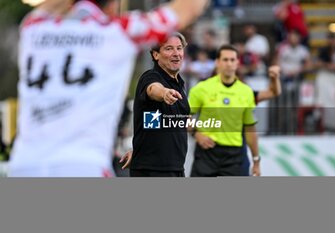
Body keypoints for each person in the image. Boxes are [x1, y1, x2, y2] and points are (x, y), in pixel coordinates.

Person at [8, 0, 210, 177]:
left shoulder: (34, 26)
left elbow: (49, 6)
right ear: (113, 4)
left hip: (25, 164)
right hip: (83, 164)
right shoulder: (120, 31)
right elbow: (189, 7)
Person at [121, 33, 189, 177]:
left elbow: (155, 124)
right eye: (169, 49)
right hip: (153, 171)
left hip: (176, 169)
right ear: (156, 55)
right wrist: (164, 93)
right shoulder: (150, 77)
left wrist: (140, 148)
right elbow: (153, 89)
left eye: (179, 48)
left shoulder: (180, 84)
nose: (176, 54)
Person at [189, 45, 260, 177]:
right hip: (207, 152)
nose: (229, 64)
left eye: (232, 60)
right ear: (217, 62)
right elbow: (183, 116)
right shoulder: (201, 88)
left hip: (234, 156)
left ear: (237, 63)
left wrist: (256, 160)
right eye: (225, 60)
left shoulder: (246, 91)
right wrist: (196, 134)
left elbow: (250, 128)